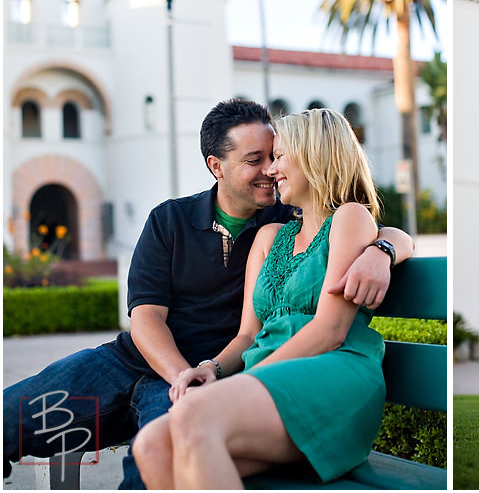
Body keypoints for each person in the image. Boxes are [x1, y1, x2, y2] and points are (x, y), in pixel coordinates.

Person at [3, 99, 412, 488]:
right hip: (145, 363)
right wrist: (190, 375)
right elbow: (145, 318)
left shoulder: (286, 210)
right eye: (256, 160)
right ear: (216, 166)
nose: (270, 169)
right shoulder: (172, 219)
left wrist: (384, 249)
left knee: (153, 460)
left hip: (228, 378)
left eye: (276, 155)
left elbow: (357, 219)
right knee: (10, 416)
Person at [132, 108, 390, 487]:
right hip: (267, 385)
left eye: (280, 156)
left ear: (313, 156)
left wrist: (247, 378)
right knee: (152, 444)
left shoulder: (350, 218)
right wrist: (213, 369)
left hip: (332, 373)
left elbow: (330, 331)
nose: (271, 169)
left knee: (193, 417)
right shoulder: (270, 236)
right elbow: (247, 336)